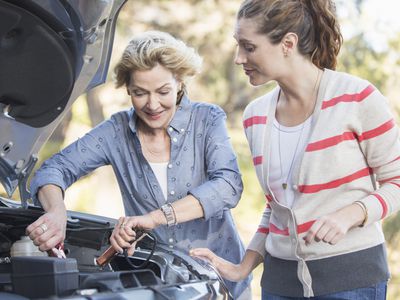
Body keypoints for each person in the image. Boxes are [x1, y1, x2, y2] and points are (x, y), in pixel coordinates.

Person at [190, 0, 400, 299]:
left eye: (249, 47)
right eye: (238, 46)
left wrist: (351, 214)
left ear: (288, 43)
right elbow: (277, 208)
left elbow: (396, 182)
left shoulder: (357, 99)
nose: (239, 58)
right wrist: (242, 267)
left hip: (351, 282)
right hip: (279, 285)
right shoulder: (255, 116)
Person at [25, 30, 251, 299]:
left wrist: (154, 218)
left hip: (219, 281)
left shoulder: (207, 119)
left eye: (163, 91)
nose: (152, 104)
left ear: (179, 82)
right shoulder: (116, 131)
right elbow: (54, 169)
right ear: (128, 89)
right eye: (140, 93)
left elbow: (228, 185)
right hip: (157, 285)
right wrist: (57, 211)